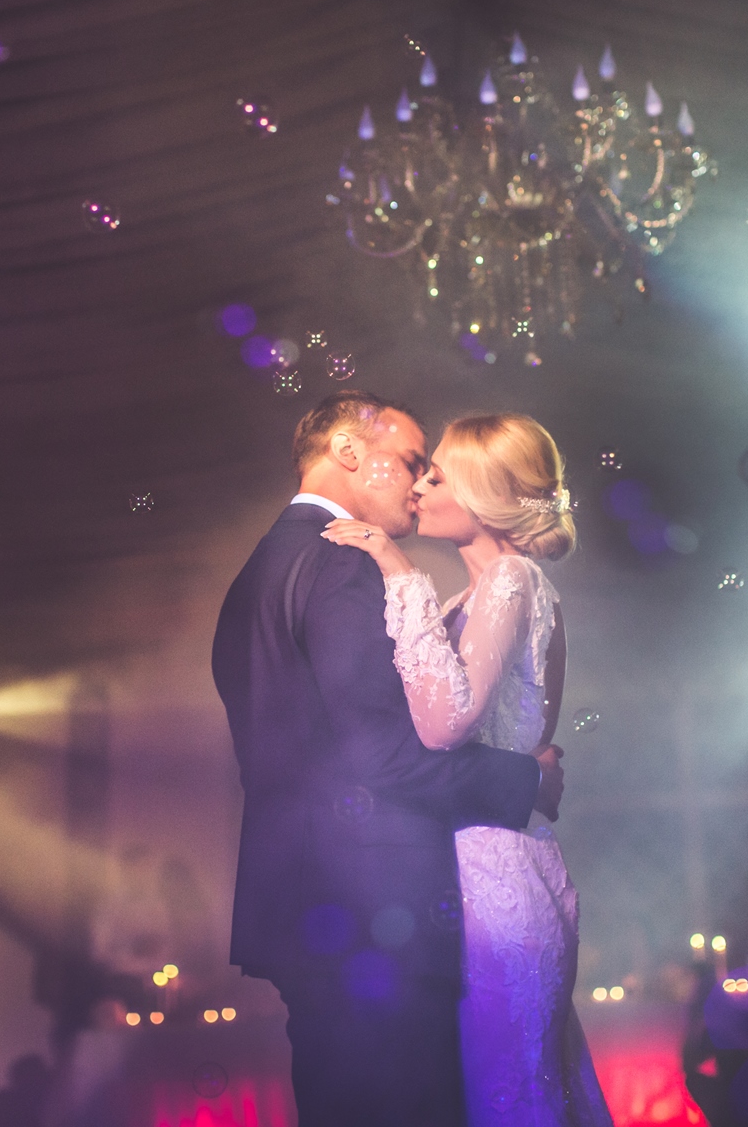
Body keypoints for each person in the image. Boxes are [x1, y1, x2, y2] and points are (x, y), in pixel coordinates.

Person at [212, 391, 563, 1127]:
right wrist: (526, 776)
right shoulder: (341, 564)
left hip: (304, 907)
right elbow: (383, 758)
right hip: (374, 913)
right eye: (409, 461)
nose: (419, 480)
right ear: (346, 452)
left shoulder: (256, 571)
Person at [321, 412, 612, 1126]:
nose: (420, 486)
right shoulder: (468, 600)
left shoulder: (513, 578)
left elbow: (444, 723)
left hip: (497, 880)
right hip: (481, 866)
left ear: (484, 496)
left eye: (438, 476)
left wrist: (398, 573)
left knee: (509, 1091)